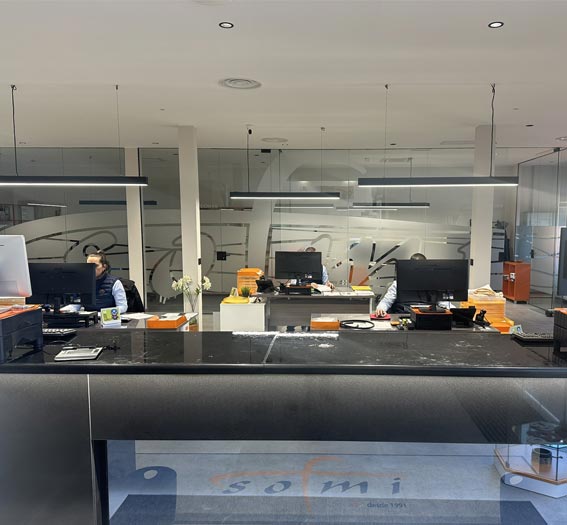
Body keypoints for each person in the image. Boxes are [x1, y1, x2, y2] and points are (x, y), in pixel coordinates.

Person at [375, 252, 427, 317]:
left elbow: (438, 302)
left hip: (427, 316)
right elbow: (386, 301)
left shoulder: (432, 284)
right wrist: (381, 309)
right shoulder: (398, 284)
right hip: (404, 315)